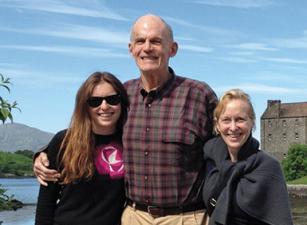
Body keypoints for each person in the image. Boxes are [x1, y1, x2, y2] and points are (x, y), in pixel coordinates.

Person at [34, 14, 218, 225]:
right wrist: (42, 154)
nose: (147, 48)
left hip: (186, 217)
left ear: (172, 49)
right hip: (134, 217)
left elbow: (229, 143)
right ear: (131, 49)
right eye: (140, 41)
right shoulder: (121, 95)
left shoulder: (199, 94)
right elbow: (85, 133)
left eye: (156, 41)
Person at [35, 71, 129, 225]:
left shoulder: (130, 142)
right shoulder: (64, 141)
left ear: (122, 102)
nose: (104, 106)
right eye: (95, 102)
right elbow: (46, 203)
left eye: (112, 99)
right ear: (84, 106)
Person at [202, 89, 293, 225]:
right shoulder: (211, 157)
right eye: (226, 120)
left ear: (252, 123)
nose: (233, 127)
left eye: (240, 119)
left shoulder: (268, 166)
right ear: (218, 125)